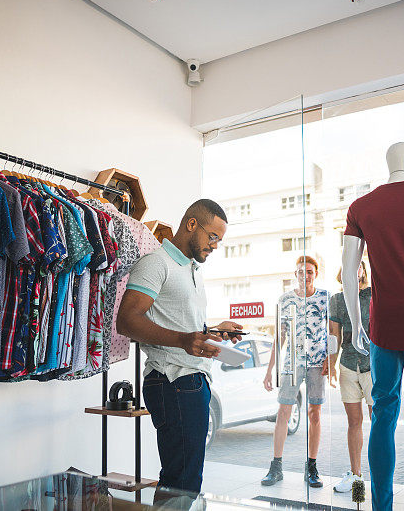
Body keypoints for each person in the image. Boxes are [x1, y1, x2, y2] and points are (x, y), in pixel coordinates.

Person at [116, 199, 243, 494]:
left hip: (191, 382)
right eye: (213, 236)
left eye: (219, 241)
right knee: (182, 482)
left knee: (183, 480)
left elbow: (183, 327)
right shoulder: (156, 263)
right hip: (173, 381)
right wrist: (184, 341)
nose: (214, 245)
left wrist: (213, 332)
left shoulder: (190, 269)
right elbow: (126, 321)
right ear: (191, 224)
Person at [261, 255, 331, 488]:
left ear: (315, 274)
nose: (305, 276)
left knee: (315, 414)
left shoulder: (324, 298)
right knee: (283, 413)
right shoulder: (285, 300)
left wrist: (330, 360)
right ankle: (276, 467)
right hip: (291, 363)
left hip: (317, 362)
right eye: (301, 272)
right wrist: (270, 370)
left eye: (309, 271)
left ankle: (311, 467)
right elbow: (279, 337)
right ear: (295, 275)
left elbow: (332, 333)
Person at [328, 262, 372, 493]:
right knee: (354, 423)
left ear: (363, 271)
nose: (355, 271)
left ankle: (381, 478)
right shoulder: (337, 299)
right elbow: (333, 334)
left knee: (380, 423)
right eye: (350, 266)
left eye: (359, 266)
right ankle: (357, 481)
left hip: (373, 366)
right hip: (347, 365)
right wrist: (331, 365)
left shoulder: (374, 294)